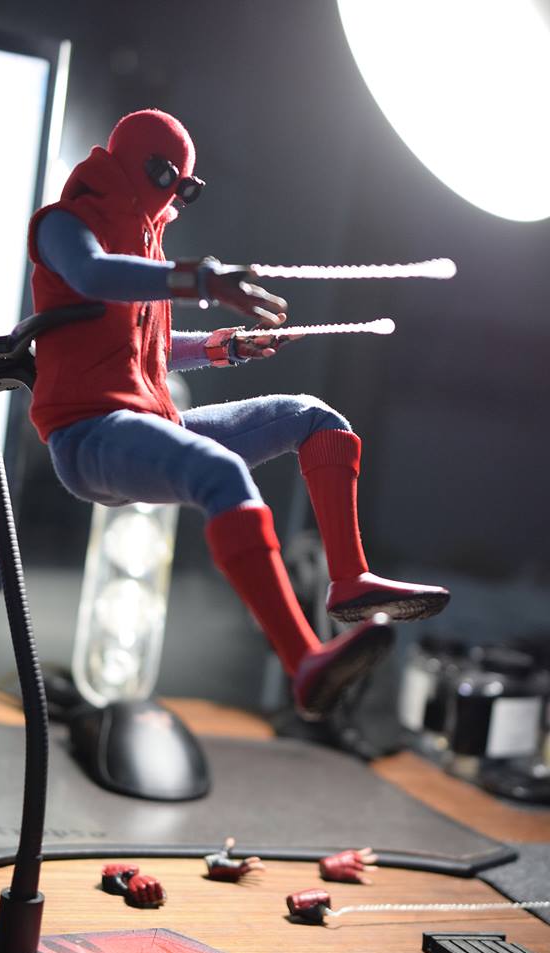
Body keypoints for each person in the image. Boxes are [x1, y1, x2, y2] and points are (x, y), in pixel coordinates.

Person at [27, 108, 449, 717]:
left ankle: (350, 581)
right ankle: (304, 663)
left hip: (151, 422)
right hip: (89, 437)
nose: (176, 199)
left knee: (314, 417)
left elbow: (146, 348)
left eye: (188, 191)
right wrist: (199, 281)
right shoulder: (63, 225)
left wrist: (221, 346)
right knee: (221, 473)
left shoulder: (145, 240)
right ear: (145, 167)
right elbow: (93, 276)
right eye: (173, 182)